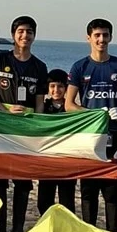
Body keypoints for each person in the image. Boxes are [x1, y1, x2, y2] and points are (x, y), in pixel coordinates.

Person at [0, 15, 49, 232]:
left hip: (25, 132)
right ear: (13, 34)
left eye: (29, 31)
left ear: (34, 35)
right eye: (21, 31)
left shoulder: (40, 67)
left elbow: (40, 101)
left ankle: (18, 228)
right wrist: (3, 111)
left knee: (23, 180)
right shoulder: (0, 60)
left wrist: (38, 125)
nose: (25, 35)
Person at [65, 18, 117, 232]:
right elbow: (69, 105)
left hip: (114, 135)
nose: (101, 39)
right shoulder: (80, 66)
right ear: (89, 38)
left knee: (112, 192)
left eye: (105, 35)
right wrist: (92, 113)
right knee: (88, 192)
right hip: (89, 138)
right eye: (97, 35)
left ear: (111, 37)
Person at [37, 69, 77, 216]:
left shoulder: (72, 109)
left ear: (66, 88)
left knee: (67, 202)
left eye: (60, 86)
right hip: (47, 161)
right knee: (43, 202)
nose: (56, 90)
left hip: (67, 162)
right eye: (52, 86)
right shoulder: (42, 108)